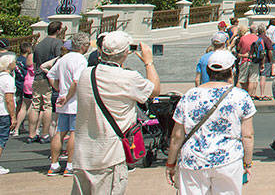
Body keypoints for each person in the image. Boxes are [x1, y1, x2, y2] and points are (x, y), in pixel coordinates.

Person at [70, 31, 160, 195]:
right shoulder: (128, 77)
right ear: (126, 53)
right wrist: (149, 62)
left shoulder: (86, 74)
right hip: (109, 155)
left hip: (83, 155)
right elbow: (154, 90)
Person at [165, 48, 255, 193]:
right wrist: (247, 163)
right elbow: (248, 135)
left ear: (208, 71)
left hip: (194, 159)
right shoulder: (241, 97)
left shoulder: (189, 95)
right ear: (232, 71)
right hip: (228, 158)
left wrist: (170, 163)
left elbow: (177, 136)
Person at [48, 31, 91, 175]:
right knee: (74, 132)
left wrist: (59, 89)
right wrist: (67, 96)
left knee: (60, 131)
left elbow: (50, 75)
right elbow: (76, 81)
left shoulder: (63, 59)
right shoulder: (80, 60)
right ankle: (70, 164)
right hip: (74, 101)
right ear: (84, 46)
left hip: (63, 100)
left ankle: (54, 164)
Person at [0, 51, 16, 175]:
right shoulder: (8, 79)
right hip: (3, 112)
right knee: (1, 140)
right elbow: (9, 99)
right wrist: (13, 116)